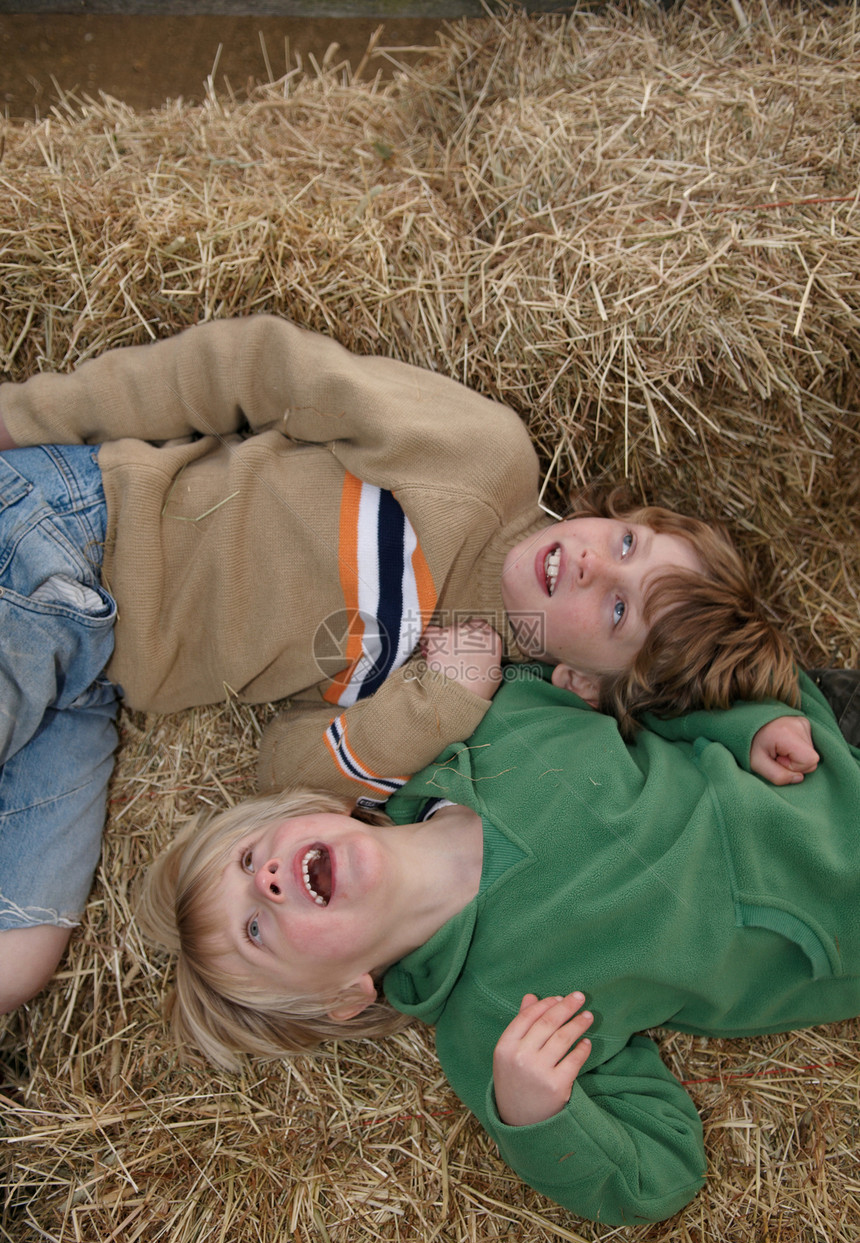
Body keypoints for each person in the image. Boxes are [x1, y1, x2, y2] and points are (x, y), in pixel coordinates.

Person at [0, 313, 831, 1011]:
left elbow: (285, 776)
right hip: (76, 530)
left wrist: (433, 706)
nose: (593, 563)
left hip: (92, 681)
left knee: (24, 955)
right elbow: (256, 365)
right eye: (625, 542)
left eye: (618, 609)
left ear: (589, 681)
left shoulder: (474, 704)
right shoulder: (480, 458)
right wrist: (31, 413)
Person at [138, 663, 860, 1226]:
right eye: (255, 930)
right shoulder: (493, 1023)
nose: (263, 879)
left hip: (820, 739)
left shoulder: (490, 725)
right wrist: (539, 1116)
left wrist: (748, 726)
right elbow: (660, 1171)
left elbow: (658, 683)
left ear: (316, 809)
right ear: (344, 994)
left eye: (245, 859)